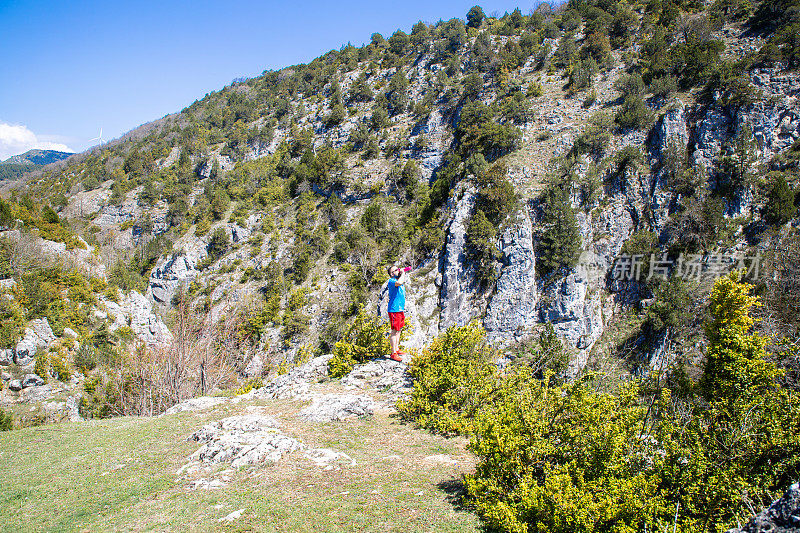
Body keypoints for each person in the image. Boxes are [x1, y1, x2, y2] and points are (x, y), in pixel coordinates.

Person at [381, 264, 408, 362]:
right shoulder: (392, 281)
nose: (398, 270)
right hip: (394, 310)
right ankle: (393, 353)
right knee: (394, 330)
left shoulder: (397, 280)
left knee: (399, 329)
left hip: (400, 309)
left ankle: (397, 348)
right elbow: (400, 282)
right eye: (396, 270)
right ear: (392, 274)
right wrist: (403, 273)